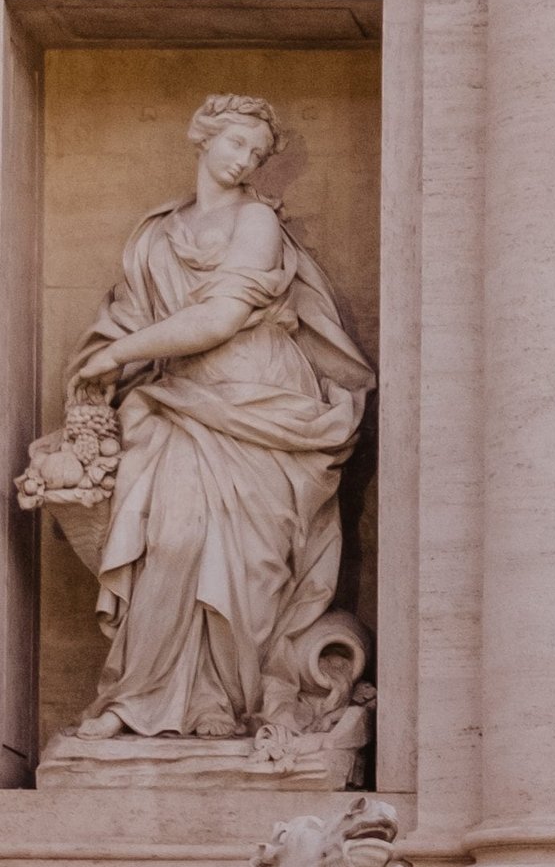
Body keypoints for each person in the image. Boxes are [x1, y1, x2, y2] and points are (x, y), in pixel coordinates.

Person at [51, 97, 372, 743]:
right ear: (203, 138)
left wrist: (118, 354)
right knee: (170, 541)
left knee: (244, 563)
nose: (246, 159)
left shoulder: (256, 222)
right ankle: (140, 693)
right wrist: (107, 362)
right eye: (236, 144)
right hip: (180, 405)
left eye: (257, 153)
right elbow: (133, 317)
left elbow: (219, 319)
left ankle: (221, 703)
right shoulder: (156, 235)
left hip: (261, 406)